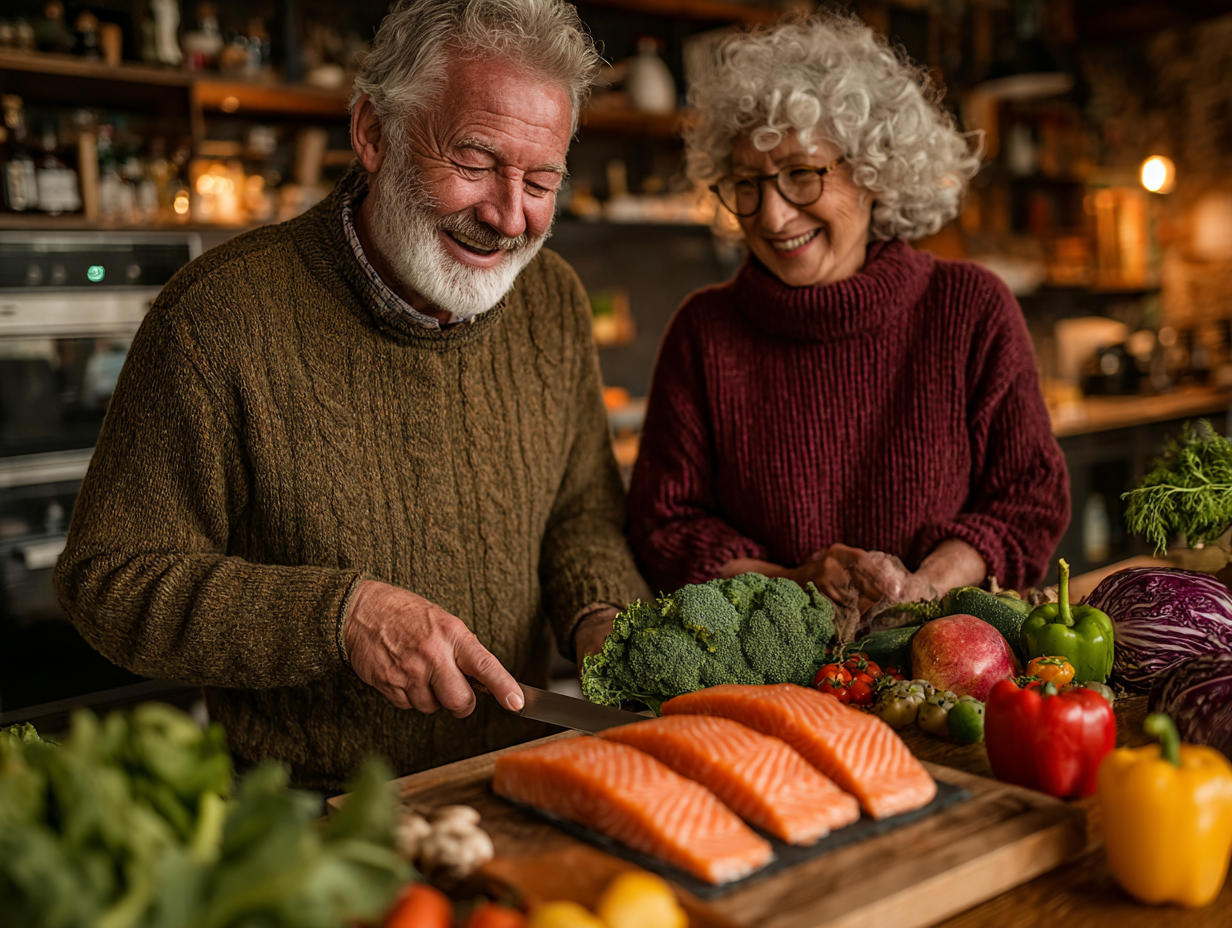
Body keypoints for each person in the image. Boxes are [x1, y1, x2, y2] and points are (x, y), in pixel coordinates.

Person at [54, 0, 641, 790]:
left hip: (514, 778)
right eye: (473, 163)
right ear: (373, 132)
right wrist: (339, 617)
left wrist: (600, 617)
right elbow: (109, 579)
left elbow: (582, 514)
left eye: (541, 181)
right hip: (310, 811)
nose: (509, 216)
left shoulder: (554, 300)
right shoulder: (218, 314)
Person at [626, 14, 1069, 626]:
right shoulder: (705, 331)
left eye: (802, 174)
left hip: (948, 662)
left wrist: (928, 585)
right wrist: (793, 583)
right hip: (771, 683)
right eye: (747, 184)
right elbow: (665, 526)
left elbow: (1028, 500)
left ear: (874, 172)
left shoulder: (970, 307)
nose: (773, 217)